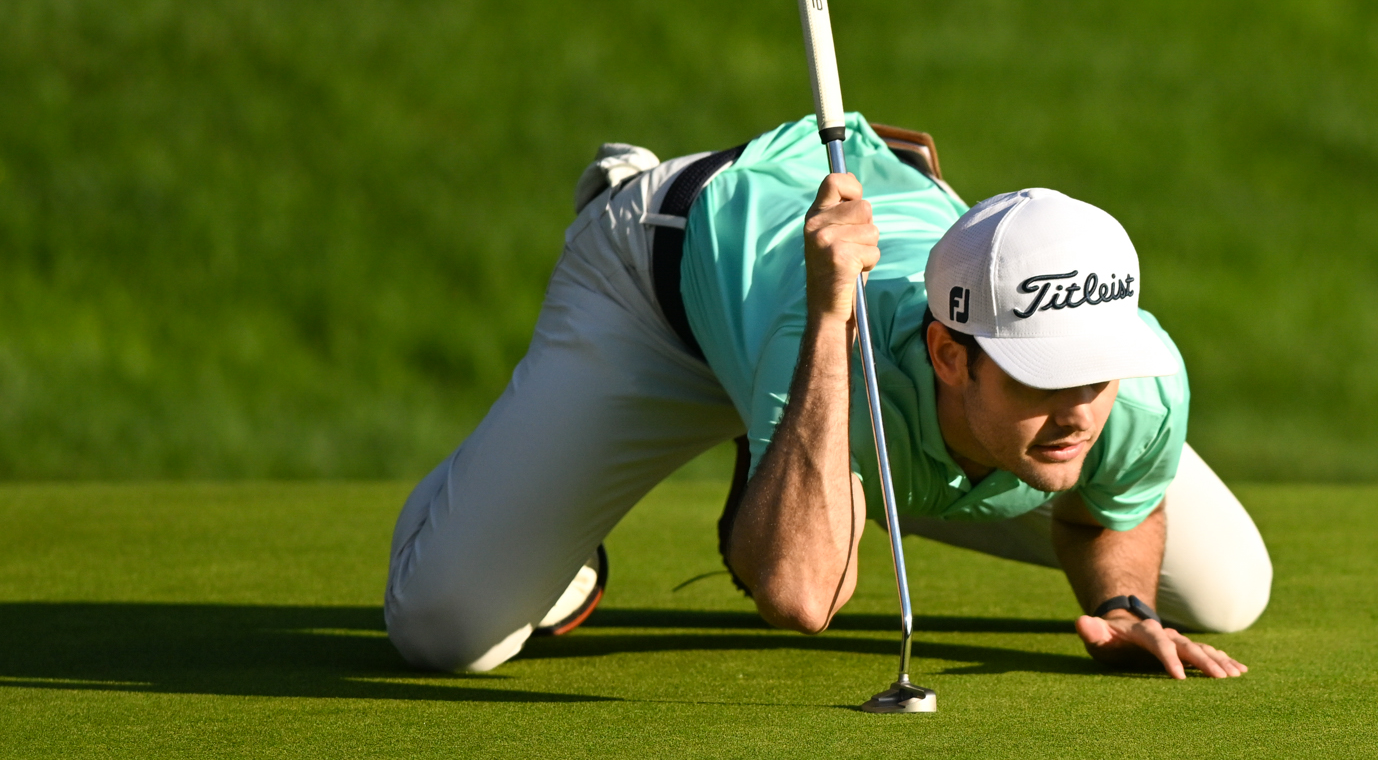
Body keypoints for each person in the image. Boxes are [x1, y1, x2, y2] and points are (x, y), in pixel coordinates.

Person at [383, 114, 1269, 681]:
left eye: (1093, 375)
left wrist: (1124, 607)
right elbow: (802, 598)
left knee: (1231, 590)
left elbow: (1111, 510)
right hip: (660, 294)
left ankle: (779, 473)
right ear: (950, 356)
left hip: (831, 338)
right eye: (1041, 380)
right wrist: (826, 314)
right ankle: (540, 513)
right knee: (446, 629)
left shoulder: (1138, 380)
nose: (1079, 411)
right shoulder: (849, 352)